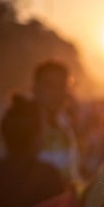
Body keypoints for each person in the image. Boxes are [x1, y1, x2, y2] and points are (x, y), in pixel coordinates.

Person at [32, 59, 82, 188]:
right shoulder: (23, 126)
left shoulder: (64, 125)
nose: (56, 92)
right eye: (48, 85)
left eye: (62, 85)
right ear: (35, 88)